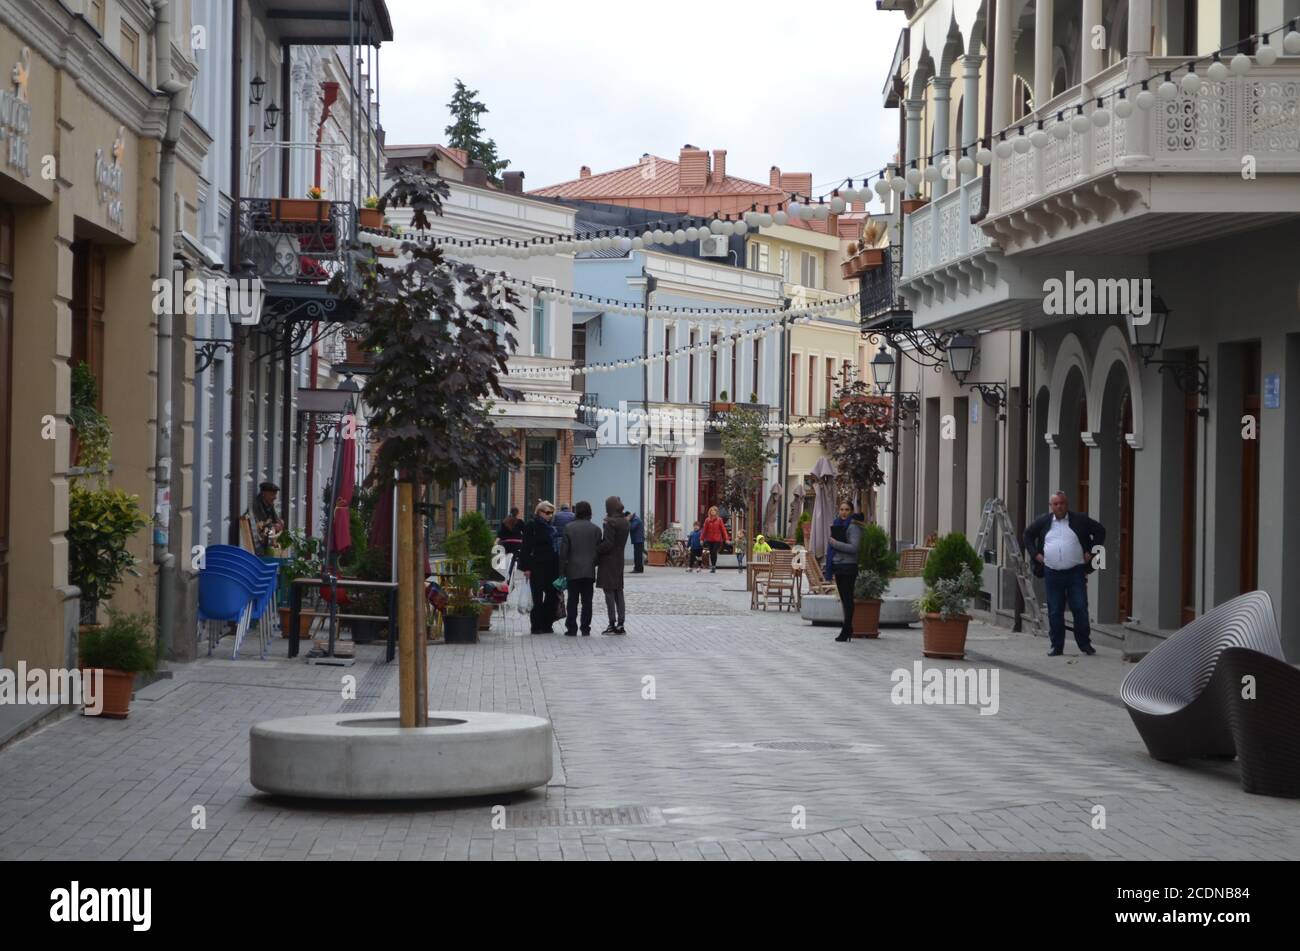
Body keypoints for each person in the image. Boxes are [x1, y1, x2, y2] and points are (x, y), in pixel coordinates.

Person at [1023, 490, 1106, 657]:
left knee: (1080, 608)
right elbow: (1027, 535)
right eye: (1056, 504)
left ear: (1066, 504)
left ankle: (1085, 644)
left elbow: (1100, 531)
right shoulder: (1044, 521)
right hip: (1052, 572)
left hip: (1075, 572)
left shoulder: (1080, 520)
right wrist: (1035, 554)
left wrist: (1091, 551)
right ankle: (1056, 646)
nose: (1059, 506)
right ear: (1051, 506)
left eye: (1061, 503)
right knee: (1054, 610)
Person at [518, 501, 561, 634]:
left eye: (551, 513)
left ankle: (547, 623)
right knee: (537, 596)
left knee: (552, 595)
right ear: (539, 512)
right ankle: (536, 625)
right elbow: (526, 547)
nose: (550, 515)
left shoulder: (551, 527)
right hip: (536, 566)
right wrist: (526, 568)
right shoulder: (531, 525)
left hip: (551, 566)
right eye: (547, 512)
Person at [559, 501, 600, 636]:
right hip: (589, 570)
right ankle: (585, 627)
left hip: (572, 569)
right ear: (590, 513)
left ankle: (571, 627)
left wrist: (561, 570)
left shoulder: (568, 528)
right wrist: (594, 563)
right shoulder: (596, 529)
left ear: (576, 512)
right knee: (587, 601)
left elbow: (564, 552)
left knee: (572, 600)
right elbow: (598, 551)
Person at [827, 501, 863, 643]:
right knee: (844, 599)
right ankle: (848, 628)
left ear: (852, 511)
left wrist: (835, 544)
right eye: (841, 509)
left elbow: (854, 547)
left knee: (848, 600)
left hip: (849, 567)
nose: (844, 512)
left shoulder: (853, 527)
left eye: (847, 509)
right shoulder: (837, 524)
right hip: (839, 566)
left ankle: (846, 628)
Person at [596, 496, 630, 634]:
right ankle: (621, 623)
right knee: (618, 591)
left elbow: (608, 543)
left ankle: (611, 623)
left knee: (609, 592)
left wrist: (596, 548)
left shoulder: (610, 523)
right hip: (619, 559)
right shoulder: (624, 521)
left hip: (608, 560)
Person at [249, 481, 284, 555]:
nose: (275, 497)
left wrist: (279, 523)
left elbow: (275, 519)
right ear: (264, 494)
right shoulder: (257, 505)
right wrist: (273, 525)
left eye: (275, 495)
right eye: (272, 494)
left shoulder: (269, 503)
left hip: (267, 537)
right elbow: (260, 523)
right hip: (259, 540)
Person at [701, 505, 729, 574]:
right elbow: (704, 530)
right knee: (711, 553)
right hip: (709, 539)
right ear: (710, 512)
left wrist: (726, 539)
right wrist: (701, 539)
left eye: (714, 511)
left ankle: (714, 566)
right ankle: (713, 566)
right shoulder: (707, 520)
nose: (713, 512)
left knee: (714, 551)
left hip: (717, 539)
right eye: (711, 511)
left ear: (716, 512)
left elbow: (723, 530)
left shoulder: (719, 520)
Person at [496, 507, 524, 574]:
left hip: (507, 544)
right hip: (517, 544)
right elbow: (526, 532)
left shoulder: (505, 522)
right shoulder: (520, 522)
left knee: (506, 557)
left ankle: (505, 569)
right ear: (517, 513)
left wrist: (496, 542)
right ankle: (513, 570)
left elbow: (501, 534)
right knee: (517, 556)